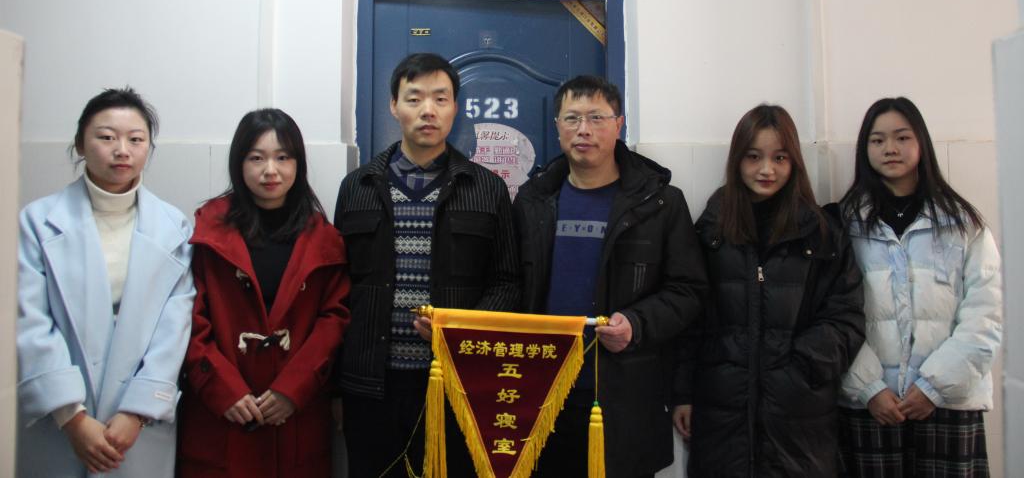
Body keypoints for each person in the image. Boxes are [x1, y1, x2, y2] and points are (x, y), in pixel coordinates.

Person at [333, 52, 520, 477]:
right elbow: (337, 289)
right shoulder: (358, 187)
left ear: (455, 107)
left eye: (440, 98)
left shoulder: (487, 188)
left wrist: (459, 328)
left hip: (456, 384)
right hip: (369, 386)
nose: (428, 110)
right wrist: (334, 390)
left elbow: (508, 282)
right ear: (393, 106)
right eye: (414, 98)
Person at [513, 75, 708, 478]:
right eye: (572, 118)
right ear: (557, 127)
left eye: (597, 117)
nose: (583, 129)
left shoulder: (660, 203)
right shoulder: (533, 201)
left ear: (619, 124)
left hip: (626, 398)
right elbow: (512, 287)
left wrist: (636, 324)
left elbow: (688, 290)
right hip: (544, 397)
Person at [674, 104, 864, 477]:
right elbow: (690, 318)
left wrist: (800, 367)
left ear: (794, 162)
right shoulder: (711, 230)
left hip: (799, 415)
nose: (766, 169)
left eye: (779, 158)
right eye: (753, 157)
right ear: (737, 160)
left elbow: (847, 317)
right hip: (721, 410)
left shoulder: (822, 233)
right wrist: (683, 393)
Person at [16, 87, 195, 477]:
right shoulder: (37, 222)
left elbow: (175, 326)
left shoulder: (174, 227)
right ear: (81, 143)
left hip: (137, 427)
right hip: (58, 423)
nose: (122, 150)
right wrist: (72, 417)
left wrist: (137, 411)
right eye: (107, 137)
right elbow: (29, 320)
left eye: (136, 139)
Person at [178, 109, 350, 478]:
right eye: (257, 158)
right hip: (221, 414)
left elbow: (334, 320)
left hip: (295, 415)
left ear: (298, 164)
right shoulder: (207, 234)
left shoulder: (323, 239)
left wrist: (293, 388)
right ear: (239, 163)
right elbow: (187, 318)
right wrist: (223, 389)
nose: (270, 170)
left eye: (283, 157)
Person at [837, 97, 1002, 477]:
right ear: (865, 150)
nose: (890, 148)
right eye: (877, 140)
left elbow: (987, 315)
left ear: (921, 143)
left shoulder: (963, 224)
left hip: (949, 402)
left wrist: (934, 387)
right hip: (871, 405)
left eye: (902, 137)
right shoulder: (843, 224)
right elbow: (833, 317)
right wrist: (868, 387)